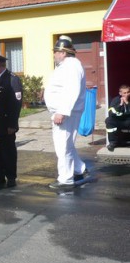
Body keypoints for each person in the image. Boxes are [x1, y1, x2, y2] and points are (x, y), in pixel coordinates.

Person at [44, 35, 88, 189]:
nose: (54, 55)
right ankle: (79, 169)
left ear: (63, 52)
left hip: (66, 113)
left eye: (56, 52)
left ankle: (66, 179)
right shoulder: (66, 65)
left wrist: (61, 112)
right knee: (66, 144)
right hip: (64, 112)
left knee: (63, 146)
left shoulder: (71, 66)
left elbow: (71, 91)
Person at [0, 52, 23, 188]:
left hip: (6, 123)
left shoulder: (12, 79)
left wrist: (12, 124)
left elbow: (16, 104)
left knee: (8, 151)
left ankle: (11, 176)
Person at [105, 84, 130, 151]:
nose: (127, 94)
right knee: (109, 120)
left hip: (128, 120)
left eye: (128, 92)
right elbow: (111, 113)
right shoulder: (115, 100)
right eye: (124, 93)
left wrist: (127, 103)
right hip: (120, 121)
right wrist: (120, 105)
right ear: (120, 93)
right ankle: (113, 143)